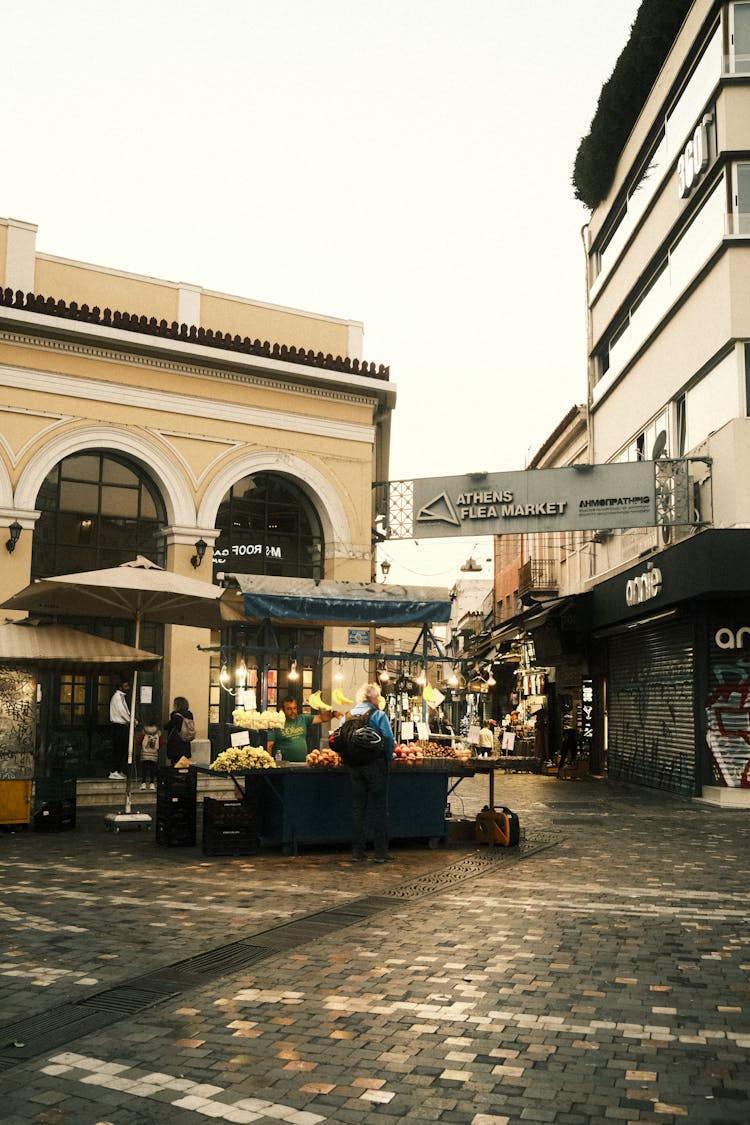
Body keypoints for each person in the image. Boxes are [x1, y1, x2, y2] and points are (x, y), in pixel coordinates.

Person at [347, 683, 395, 863]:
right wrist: (389, 756)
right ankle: (380, 852)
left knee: (358, 809)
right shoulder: (378, 714)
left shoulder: (349, 714)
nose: (379, 700)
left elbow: (340, 737)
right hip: (375, 766)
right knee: (379, 809)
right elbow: (388, 737)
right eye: (378, 697)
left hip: (354, 767)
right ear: (372, 698)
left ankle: (357, 851)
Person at [267, 696, 333, 762]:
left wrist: (333, 713)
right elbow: (269, 746)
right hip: (284, 767)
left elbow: (322, 718)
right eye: (289, 709)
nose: (293, 711)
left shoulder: (302, 719)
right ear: (282, 710)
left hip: (302, 765)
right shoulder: (276, 724)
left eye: (294, 708)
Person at [109, 678, 131, 779]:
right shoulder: (118, 697)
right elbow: (122, 712)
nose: (128, 688)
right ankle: (114, 771)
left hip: (120, 725)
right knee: (119, 749)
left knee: (121, 749)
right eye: (126, 686)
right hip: (119, 726)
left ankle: (118, 770)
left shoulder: (120, 697)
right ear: (120, 687)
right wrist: (131, 720)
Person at [165, 696, 194, 764]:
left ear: (177, 705)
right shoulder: (189, 715)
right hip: (186, 742)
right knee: (183, 764)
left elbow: (168, 726)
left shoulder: (176, 716)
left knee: (175, 764)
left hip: (176, 744)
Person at [137, 713, 162, 789]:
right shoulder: (158, 732)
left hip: (145, 753)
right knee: (153, 768)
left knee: (144, 768)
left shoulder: (144, 731)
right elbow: (160, 743)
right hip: (154, 754)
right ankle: (152, 783)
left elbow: (139, 740)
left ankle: (143, 783)